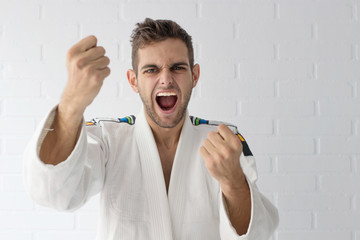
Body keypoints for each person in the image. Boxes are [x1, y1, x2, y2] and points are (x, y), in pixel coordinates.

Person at [23, 18, 279, 239]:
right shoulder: (108, 139)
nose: (166, 78)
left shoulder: (225, 143)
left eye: (178, 67)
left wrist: (233, 182)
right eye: (151, 70)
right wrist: (71, 105)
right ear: (133, 81)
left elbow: (257, 235)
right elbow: (54, 193)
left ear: (195, 76)